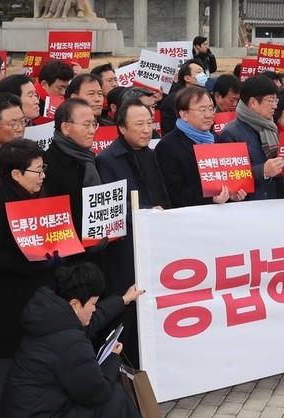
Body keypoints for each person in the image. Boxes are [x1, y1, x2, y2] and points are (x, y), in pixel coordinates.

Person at [0, 138, 61, 410]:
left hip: (43, 293)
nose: (43, 176)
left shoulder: (44, 194)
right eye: (37, 170)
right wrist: (31, 264)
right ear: (15, 174)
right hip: (8, 300)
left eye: (43, 168)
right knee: (8, 367)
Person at [0, 262, 142, 417]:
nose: (94, 308)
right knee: (115, 398)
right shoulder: (70, 341)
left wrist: (125, 299)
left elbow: (94, 319)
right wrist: (113, 358)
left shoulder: (50, 317)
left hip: (30, 409)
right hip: (41, 412)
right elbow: (97, 393)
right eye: (93, 303)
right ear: (74, 304)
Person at [96, 99, 170, 367]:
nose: (146, 129)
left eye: (150, 123)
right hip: (126, 249)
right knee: (130, 309)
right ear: (121, 128)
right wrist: (145, 212)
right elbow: (111, 206)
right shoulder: (106, 160)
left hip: (158, 240)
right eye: (139, 124)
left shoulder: (153, 153)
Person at [155, 86, 244, 208]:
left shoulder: (216, 140)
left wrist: (232, 194)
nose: (209, 115)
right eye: (202, 110)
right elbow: (173, 192)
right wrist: (210, 198)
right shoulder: (167, 146)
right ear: (184, 114)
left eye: (211, 108)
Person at [218, 75, 284, 202]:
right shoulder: (230, 133)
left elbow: (281, 166)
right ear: (253, 102)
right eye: (271, 101)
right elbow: (231, 176)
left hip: (275, 202)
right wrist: (263, 171)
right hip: (252, 206)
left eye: (276, 101)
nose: (275, 106)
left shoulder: (271, 128)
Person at [43, 98, 103, 240]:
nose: (92, 131)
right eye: (86, 125)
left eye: (94, 124)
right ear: (65, 128)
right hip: (69, 249)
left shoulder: (91, 159)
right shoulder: (47, 165)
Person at [159, 59, 206, 135]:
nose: (203, 75)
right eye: (199, 72)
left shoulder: (206, 96)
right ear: (187, 78)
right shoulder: (172, 100)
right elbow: (168, 130)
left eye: (203, 72)